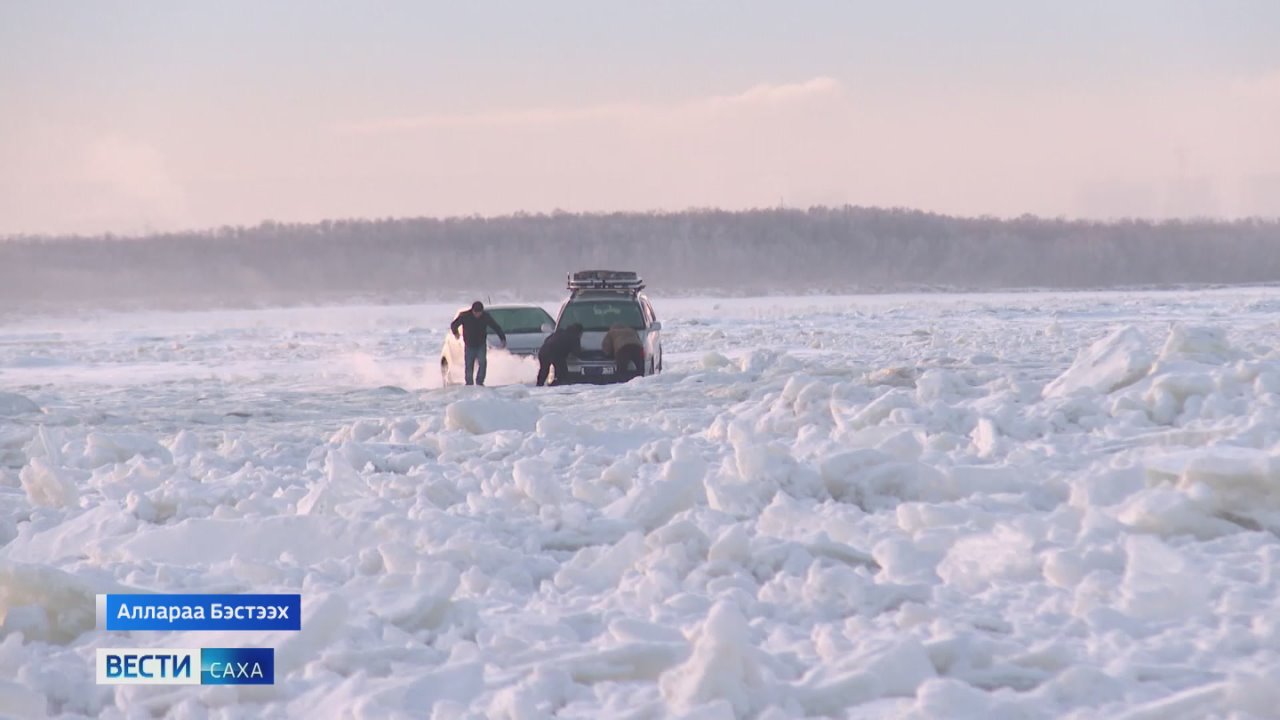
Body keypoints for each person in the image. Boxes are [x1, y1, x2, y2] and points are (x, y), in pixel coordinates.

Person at [450, 301, 506, 386]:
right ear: (472, 311)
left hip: (481, 344)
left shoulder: (485, 316)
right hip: (469, 345)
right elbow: (454, 325)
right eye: (476, 313)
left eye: (479, 313)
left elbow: (496, 327)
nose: (477, 315)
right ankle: (469, 383)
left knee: (482, 362)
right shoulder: (465, 316)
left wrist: (502, 338)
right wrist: (456, 333)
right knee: (469, 364)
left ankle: (480, 382)